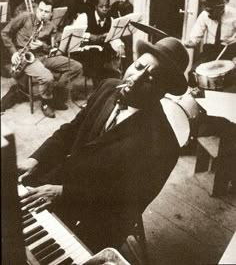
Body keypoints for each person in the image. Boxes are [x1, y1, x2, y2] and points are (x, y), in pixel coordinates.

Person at [18, 36, 190, 253]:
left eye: (151, 79)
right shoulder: (109, 86)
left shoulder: (164, 146)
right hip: (59, 182)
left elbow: (124, 203)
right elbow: (71, 131)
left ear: (163, 91)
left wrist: (63, 193)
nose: (135, 80)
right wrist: (35, 159)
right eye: (137, 67)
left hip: (94, 217)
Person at [1, 0, 83, 118]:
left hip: (43, 56)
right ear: (37, 9)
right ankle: (46, 102)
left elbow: (53, 48)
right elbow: (5, 33)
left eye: (46, 12)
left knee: (76, 67)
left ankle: (55, 93)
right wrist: (13, 53)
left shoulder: (51, 26)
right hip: (26, 57)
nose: (42, 14)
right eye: (40, 10)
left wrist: (42, 45)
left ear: (51, 14)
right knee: (47, 77)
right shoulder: (25, 17)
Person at [184, 0, 236, 89]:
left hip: (230, 49)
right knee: (193, 73)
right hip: (211, 49)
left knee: (229, 78)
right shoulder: (204, 15)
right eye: (208, 10)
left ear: (221, 7)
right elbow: (196, 36)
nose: (209, 13)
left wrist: (234, 40)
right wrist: (190, 43)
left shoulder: (234, 15)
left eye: (212, 10)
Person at [72, 0, 122, 84]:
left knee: (113, 53)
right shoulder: (85, 17)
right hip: (84, 50)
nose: (104, 9)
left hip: (102, 51)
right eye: (101, 7)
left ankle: (108, 83)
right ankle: (99, 84)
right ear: (96, 7)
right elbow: (75, 34)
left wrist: (120, 45)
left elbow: (114, 37)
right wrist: (90, 36)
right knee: (97, 57)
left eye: (107, 6)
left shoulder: (111, 19)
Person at [111, 0, 134, 71]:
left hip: (126, 31)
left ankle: (126, 68)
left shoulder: (130, 7)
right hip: (115, 29)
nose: (121, 0)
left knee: (127, 49)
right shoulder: (115, 5)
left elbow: (129, 22)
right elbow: (110, 18)